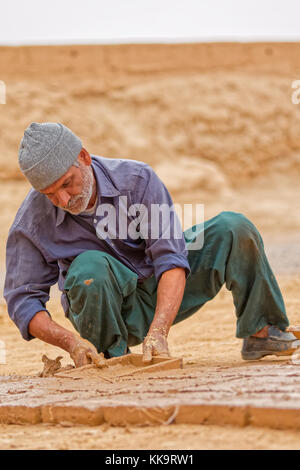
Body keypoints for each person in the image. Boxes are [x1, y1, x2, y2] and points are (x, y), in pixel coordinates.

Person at [4, 122, 300, 367]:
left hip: (163, 290)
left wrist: (159, 331)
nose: (64, 201)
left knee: (233, 227)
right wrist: (71, 342)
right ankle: (112, 358)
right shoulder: (32, 222)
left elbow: (170, 257)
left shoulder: (136, 180)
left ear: (83, 157)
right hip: (106, 309)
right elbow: (23, 301)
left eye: (67, 184)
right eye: (50, 194)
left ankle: (262, 333)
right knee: (90, 267)